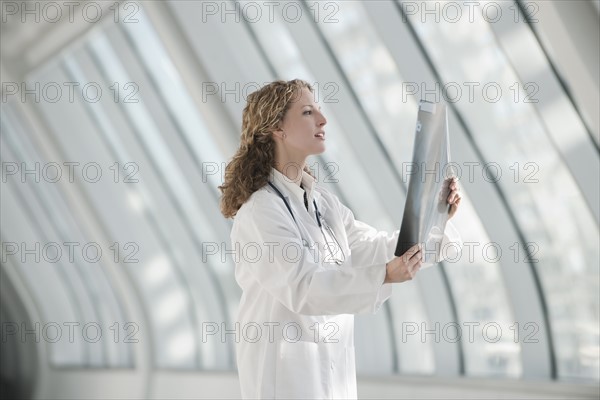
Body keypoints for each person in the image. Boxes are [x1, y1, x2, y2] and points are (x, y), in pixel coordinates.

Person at [219, 79, 462, 399]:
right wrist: (386, 274)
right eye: (308, 112)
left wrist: (436, 216)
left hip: (333, 383)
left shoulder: (323, 203)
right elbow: (303, 288)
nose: (323, 119)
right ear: (277, 128)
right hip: (286, 385)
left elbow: (375, 248)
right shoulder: (260, 211)